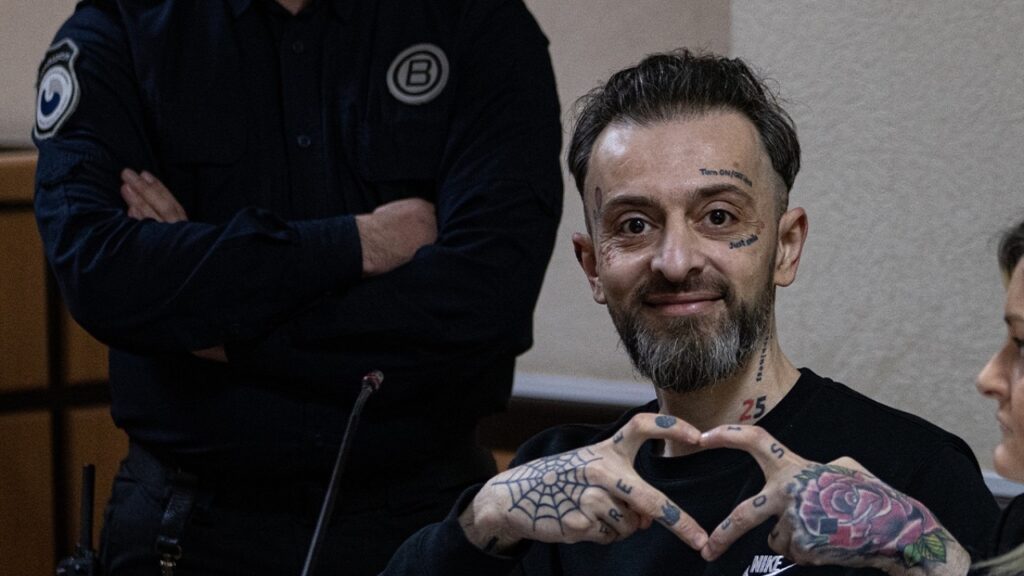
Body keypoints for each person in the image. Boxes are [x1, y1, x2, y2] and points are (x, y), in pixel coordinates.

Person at [379, 49, 999, 576]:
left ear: (786, 247)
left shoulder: (908, 471)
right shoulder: (557, 487)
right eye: (634, 225)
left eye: (719, 216)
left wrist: (921, 552)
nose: (675, 262)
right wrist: (484, 519)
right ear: (593, 267)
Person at [31, 0, 562, 574]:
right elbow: (101, 271)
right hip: (184, 526)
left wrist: (221, 332)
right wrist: (358, 242)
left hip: (422, 515)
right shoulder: (121, 28)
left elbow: (486, 301)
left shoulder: (479, 24)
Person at [695, 217, 1024, 576]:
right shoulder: (1016, 529)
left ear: (786, 246)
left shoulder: (923, 465)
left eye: (1022, 344)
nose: (987, 378)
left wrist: (907, 536)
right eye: (644, 226)